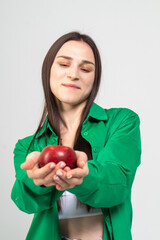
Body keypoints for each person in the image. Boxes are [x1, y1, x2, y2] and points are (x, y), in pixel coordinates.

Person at [11, 31, 141, 240]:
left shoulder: (122, 121)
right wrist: (38, 182)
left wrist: (83, 174)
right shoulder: (28, 146)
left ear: (94, 78)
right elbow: (24, 201)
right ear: (48, 71)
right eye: (64, 64)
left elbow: (118, 182)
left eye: (85, 68)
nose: (73, 74)